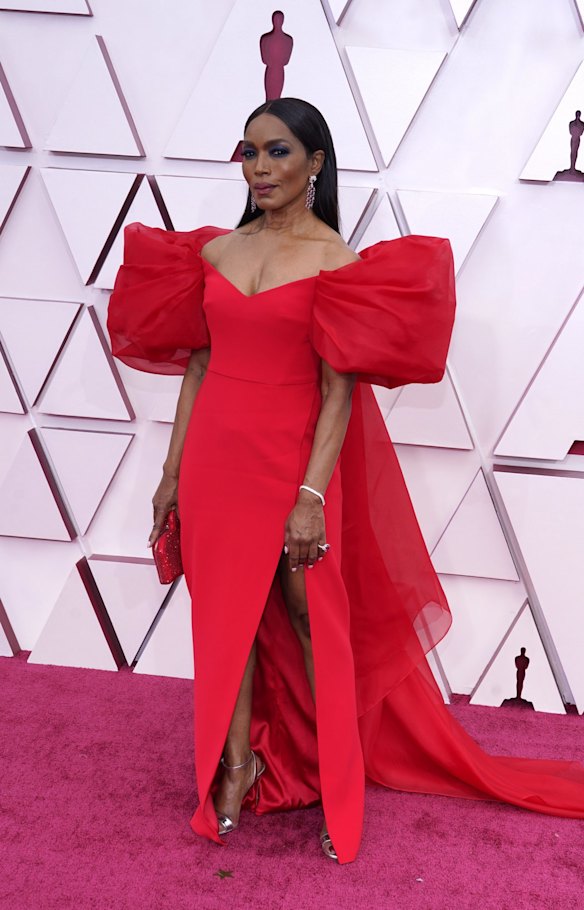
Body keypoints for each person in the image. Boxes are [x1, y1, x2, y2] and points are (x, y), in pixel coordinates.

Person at [107, 98, 584, 866]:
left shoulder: (338, 263)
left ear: (316, 164)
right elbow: (197, 365)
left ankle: (337, 779)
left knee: (310, 624)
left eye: (278, 153)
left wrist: (311, 497)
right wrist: (169, 474)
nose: (260, 168)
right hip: (213, 467)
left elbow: (339, 393)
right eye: (249, 153)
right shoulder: (218, 252)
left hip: (290, 463)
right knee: (225, 622)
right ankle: (236, 770)